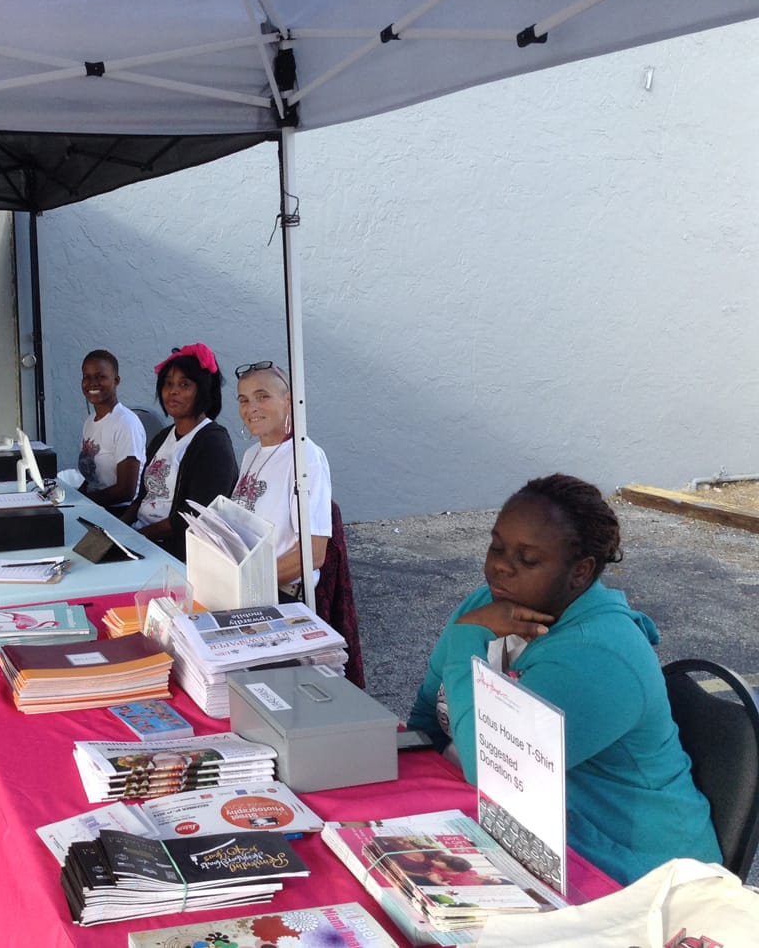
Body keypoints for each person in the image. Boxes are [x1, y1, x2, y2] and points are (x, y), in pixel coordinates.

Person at [407, 474, 721, 885]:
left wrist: (468, 635)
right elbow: (428, 715)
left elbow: (493, 771)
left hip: (636, 876)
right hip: (537, 837)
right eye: (496, 547)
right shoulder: (489, 604)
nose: (501, 565)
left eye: (528, 559)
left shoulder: (600, 655)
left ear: (581, 572)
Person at [122, 343, 238, 560]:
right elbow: (144, 496)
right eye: (168, 384)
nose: (173, 391)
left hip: (174, 553)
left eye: (184, 384)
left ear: (203, 391)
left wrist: (138, 536)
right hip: (143, 540)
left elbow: (194, 515)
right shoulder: (162, 436)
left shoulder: (213, 443)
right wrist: (120, 529)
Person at [231, 360, 333, 599]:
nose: (251, 407)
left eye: (262, 396)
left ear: (289, 401)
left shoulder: (305, 457)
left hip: (278, 593)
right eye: (244, 400)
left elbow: (313, 554)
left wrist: (248, 580)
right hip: (242, 584)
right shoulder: (251, 455)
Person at [77, 349, 146, 512]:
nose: (92, 383)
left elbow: (126, 492)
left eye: (100, 377)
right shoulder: (89, 422)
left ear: (116, 380)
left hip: (119, 512)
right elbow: (92, 479)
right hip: (96, 506)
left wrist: (81, 504)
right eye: (87, 377)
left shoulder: (126, 423)